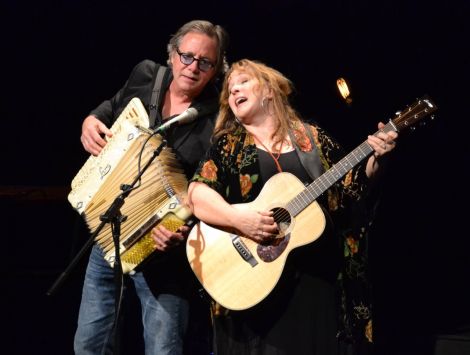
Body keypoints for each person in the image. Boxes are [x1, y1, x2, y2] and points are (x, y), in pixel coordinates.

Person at [187, 59, 398, 355]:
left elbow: (351, 193)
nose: (234, 91)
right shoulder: (228, 147)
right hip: (250, 286)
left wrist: (377, 160)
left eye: (244, 82)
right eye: (230, 90)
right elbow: (197, 195)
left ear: (270, 90)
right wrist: (240, 220)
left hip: (312, 288)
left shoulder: (313, 139)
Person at [74, 20, 229, 355]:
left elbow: (210, 193)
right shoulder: (146, 75)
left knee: (163, 349)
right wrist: (90, 120)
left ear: (216, 70)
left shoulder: (218, 121)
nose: (193, 67)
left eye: (205, 62)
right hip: (110, 230)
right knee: (89, 345)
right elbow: (112, 106)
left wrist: (181, 230)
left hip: (164, 254)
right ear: (172, 55)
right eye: (187, 56)